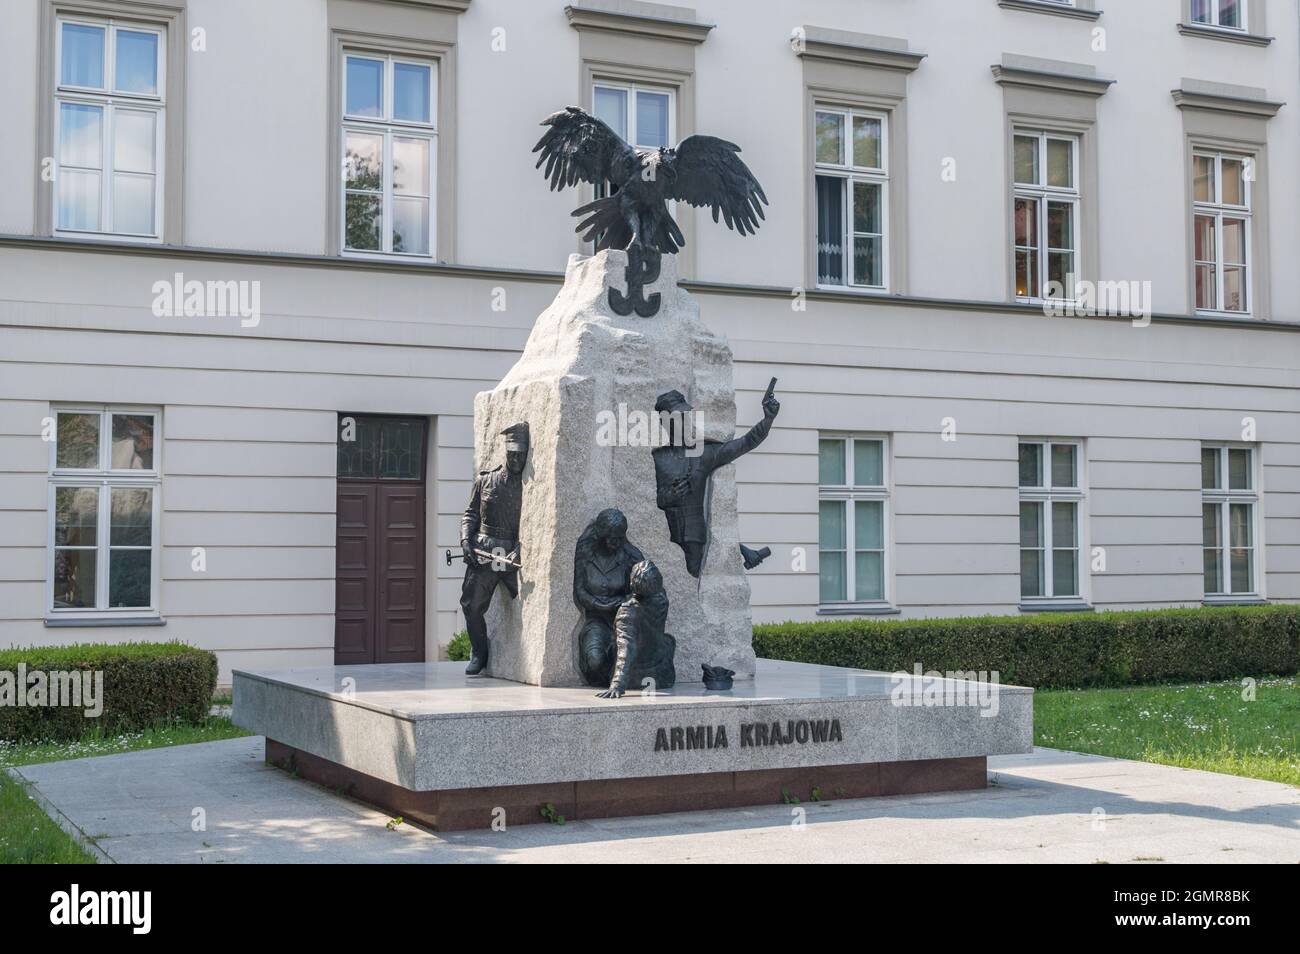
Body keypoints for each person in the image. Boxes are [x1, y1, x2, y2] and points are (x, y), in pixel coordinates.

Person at [652, 386, 779, 576]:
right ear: (665, 422)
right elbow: (654, 500)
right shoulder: (659, 457)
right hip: (666, 537)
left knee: (692, 584)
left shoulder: (703, 452)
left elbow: (745, 443)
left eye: (684, 416)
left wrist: (768, 419)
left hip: (695, 537)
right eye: (676, 417)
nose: (683, 421)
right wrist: (673, 494)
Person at [458, 423, 528, 675]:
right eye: (513, 455)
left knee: (529, 605)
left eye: (521, 455)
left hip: (513, 553)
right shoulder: (486, 480)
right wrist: (466, 541)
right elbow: (470, 514)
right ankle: (479, 652)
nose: (517, 460)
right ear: (506, 453)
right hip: (486, 551)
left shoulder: (530, 486)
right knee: (471, 605)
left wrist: (521, 550)